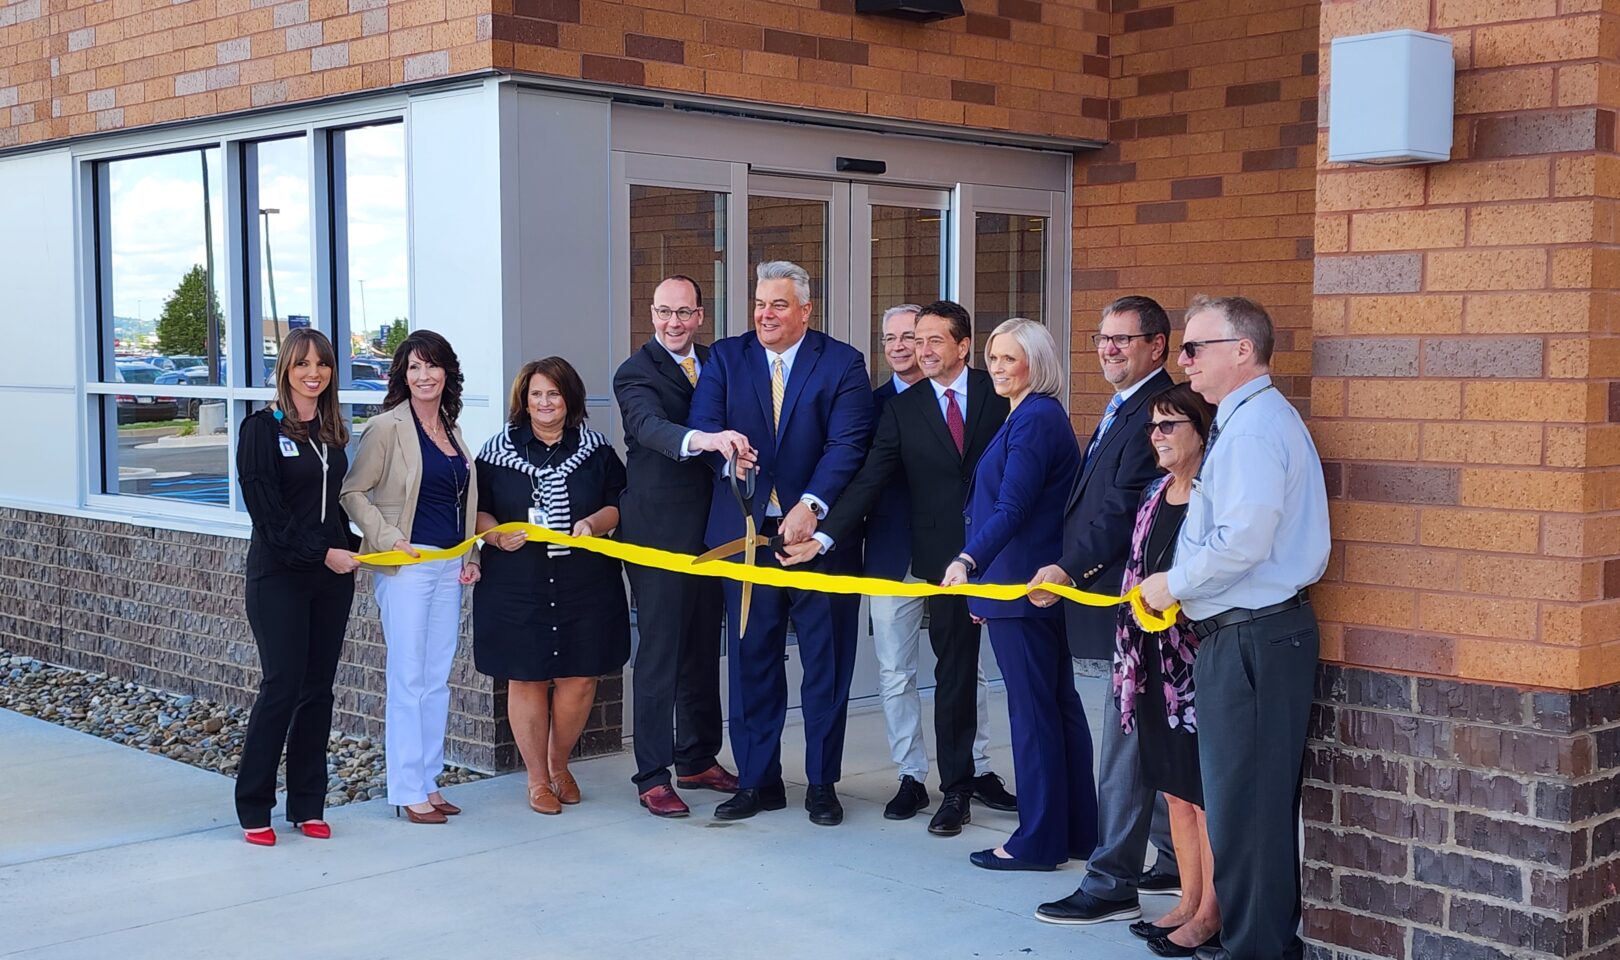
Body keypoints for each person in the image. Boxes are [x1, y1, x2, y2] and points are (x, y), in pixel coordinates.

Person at [1137, 295, 1330, 960]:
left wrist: (1172, 583)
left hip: (1252, 635)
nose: (1183, 362)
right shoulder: (1249, 421)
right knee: (1247, 809)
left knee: (1245, 813)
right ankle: (1257, 943)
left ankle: (1256, 948)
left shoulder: (1250, 430)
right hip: (1251, 635)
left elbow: (1244, 538)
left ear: (1242, 351)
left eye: (1195, 348)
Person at [782, 300, 1016, 836]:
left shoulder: (995, 395)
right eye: (912, 339)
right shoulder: (894, 409)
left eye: (933, 340)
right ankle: (911, 775)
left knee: (959, 670)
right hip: (896, 560)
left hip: (964, 560)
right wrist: (823, 534)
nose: (917, 349)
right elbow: (866, 481)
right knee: (895, 670)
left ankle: (959, 785)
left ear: (963, 345)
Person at [686, 260, 875, 826]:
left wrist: (811, 506)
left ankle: (821, 783)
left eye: (778, 305)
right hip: (745, 538)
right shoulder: (725, 356)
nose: (765, 315)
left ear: (805, 311)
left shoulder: (842, 362)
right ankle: (759, 781)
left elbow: (848, 444)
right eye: (760, 304)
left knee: (826, 663)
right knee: (751, 663)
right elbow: (705, 421)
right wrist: (728, 453)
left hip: (817, 541)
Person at [1030, 296, 1180, 925]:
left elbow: (1121, 511)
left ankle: (1112, 879)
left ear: (1158, 346)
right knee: (1148, 736)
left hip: (1132, 605)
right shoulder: (1127, 407)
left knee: (1124, 742)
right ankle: (1172, 858)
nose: (1109, 349)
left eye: (1124, 339)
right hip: (1122, 602)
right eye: (1102, 338)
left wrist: (1068, 570)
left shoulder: (1160, 413)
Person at [941, 318, 1093, 871]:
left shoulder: (1034, 419)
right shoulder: (1033, 416)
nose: (999, 369)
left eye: (1011, 359)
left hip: (1021, 589)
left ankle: (1036, 842)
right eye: (994, 358)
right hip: (1024, 587)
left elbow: (1012, 508)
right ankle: (1074, 832)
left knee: (1034, 717)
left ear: (1037, 362)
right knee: (1055, 708)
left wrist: (967, 562)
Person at [474, 357, 631, 815]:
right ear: (524, 400)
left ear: (570, 399)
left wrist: (594, 524)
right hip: (516, 582)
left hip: (584, 580)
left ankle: (559, 765)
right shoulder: (494, 451)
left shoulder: (597, 449)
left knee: (580, 679)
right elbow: (477, 510)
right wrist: (495, 534)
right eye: (537, 394)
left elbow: (617, 503)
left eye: (555, 394)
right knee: (526, 676)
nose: (546, 403)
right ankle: (538, 780)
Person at [613, 276, 743, 818]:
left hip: (711, 531)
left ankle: (696, 757)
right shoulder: (634, 371)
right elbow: (650, 428)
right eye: (664, 312)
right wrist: (707, 440)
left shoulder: (718, 361)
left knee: (699, 650)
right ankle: (652, 774)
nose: (674, 322)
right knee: (660, 653)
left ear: (700, 315)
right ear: (651, 312)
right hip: (657, 534)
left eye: (684, 313)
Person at [340, 330, 480, 825]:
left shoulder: (450, 426)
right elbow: (353, 493)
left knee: (437, 677)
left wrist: (473, 554)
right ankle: (405, 787)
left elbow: (463, 500)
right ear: (402, 374)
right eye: (414, 367)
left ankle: (428, 780)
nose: (424, 376)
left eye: (433, 366)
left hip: (449, 563)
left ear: (447, 373)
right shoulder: (386, 427)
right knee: (409, 677)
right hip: (408, 563)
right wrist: (387, 536)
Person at [234, 328, 361, 846]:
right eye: (303, 364)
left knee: (318, 692)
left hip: (330, 581)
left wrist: (360, 545)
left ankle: (307, 804)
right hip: (280, 576)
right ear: (285, 369)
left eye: (323, 365)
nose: (314, 373)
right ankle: (253, 806)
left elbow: (332, 511)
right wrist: (321, 553)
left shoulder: (333, 433)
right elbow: (269, 516)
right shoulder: (260, 429)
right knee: (281, 687)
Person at [1114, 383, 1219, 958]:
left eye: (1168, 425)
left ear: (1201, 433)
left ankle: (1212, 912)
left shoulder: (1213, 495)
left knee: (1205, 796)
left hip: (1197, 665)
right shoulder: (1155, 492)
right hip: (1152, 663)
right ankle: (1187, 898)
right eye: (1152, 426)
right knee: (1175, 792)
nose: (1156, 436)